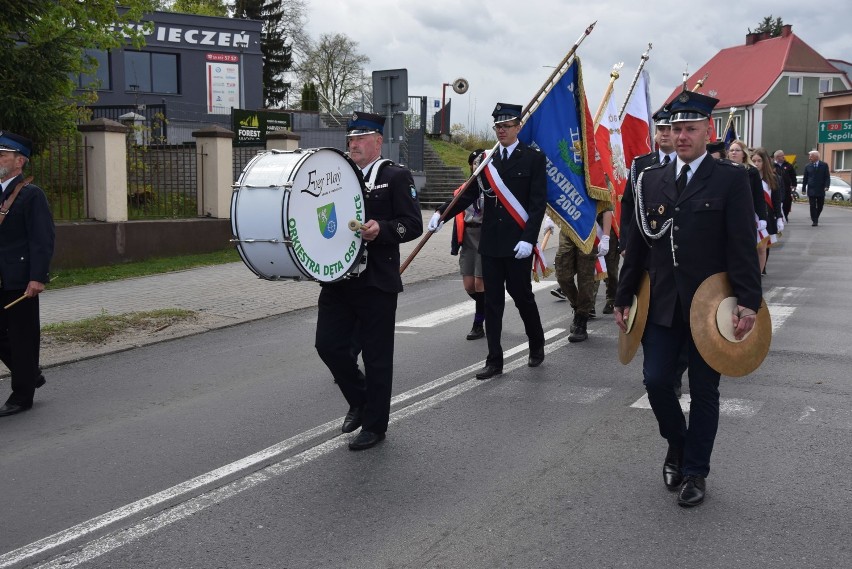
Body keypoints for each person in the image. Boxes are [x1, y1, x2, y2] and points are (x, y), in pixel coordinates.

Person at [614, 90, 762, 507]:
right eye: (675, 129)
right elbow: (637, 245)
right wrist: (623, 296)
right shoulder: (650, 180)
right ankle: (676, 444)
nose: (681, 136)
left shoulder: (730, 179)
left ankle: (696, 471)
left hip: (710, 306)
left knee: (704, 390)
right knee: (656, 380)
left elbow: (741, 245)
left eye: (689, 129)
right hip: (661, 302)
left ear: (707, 131)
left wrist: (749, 301)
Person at [314, 112, 423, 451]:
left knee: (377, 357)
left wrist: (383, 230)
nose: (353, 144)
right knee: (328, 346)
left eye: (361, 138)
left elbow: (412, 224)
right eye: (350, 138)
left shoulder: (394, 175)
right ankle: (361, 400)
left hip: (375, 281)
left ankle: (375, 425)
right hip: (338, 281)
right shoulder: (336, 176)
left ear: (378, 141)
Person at [428, 103, 546, 380]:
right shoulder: (486, 159)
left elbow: (538, 203)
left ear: (518, 127)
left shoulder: (532, 158)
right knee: (492, 302)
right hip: (490, 243)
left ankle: (537, 343)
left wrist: (529, 239)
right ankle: (494, 359)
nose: (501, 130)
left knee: (522, 297)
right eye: (498, 127)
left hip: (518, 244)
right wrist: (441, 214)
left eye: (507, 126)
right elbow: (467, 195)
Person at [0, 132, 55, 418]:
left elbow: (42, 238)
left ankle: (22, 396)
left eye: (2, 155)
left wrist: (38, 277)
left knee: (23, 337)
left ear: (19, 161)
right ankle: (30, 373)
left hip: (21, 279)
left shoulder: (31, 194)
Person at [619, 105, 676, 256]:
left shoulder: (686, 163)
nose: (664, 133)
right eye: (661, 129)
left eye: (669, 128)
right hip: (645, 239)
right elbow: (628, 203)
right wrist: (625, 242)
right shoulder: (641, 164)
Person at [553, 207, 611, 342]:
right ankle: (577, 306)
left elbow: (607, 207)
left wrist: (606, 237)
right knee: (562, 275)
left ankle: (581, 319)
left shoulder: (596, 183)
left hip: (589, 232)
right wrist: (549, 221)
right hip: (568, 230)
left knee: (585, 278)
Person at [450, 149, 487, 340]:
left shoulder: (491, 189)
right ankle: (488, 306)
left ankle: (478, 322)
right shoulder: (463, 189)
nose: (476, 165)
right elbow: (457, 215)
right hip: (468, 237)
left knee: (480, 282)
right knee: (469, 285)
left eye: (479, 161)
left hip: (485, 236)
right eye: (473, 162)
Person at [728, 140, 769, 270]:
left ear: (744, 154)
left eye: (737, 150)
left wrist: (762, 218)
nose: (734, 153)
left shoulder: (751, 172)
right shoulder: (722, 169)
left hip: (746, 214)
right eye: (731, 150)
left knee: (748, 249)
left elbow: (758, 197)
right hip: (727, 214)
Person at [751, 147, 784, 274]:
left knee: (765, 244)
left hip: (768, 215)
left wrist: (779, 218)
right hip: (753, 216)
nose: (756, 164)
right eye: (754, 160)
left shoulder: (773, 178)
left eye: (759, 161)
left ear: (765, 162)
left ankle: (762, 268)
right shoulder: (748, 176)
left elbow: (776, 200)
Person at [802, 150, 830, 226]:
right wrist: (803, 189)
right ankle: (815, 220)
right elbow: (805, 178)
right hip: (811, 189)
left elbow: (827, 177)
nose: (809, 158)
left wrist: (827, 186)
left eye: (811, 156)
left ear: (816, 157)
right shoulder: (807, 166)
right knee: (812, 205)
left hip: (821, 189)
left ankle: (815, 217)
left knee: (820, 205)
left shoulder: (824, 165)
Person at [773, 150, 797, 220]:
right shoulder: (772, 165)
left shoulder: (788, 165)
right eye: (782, 155)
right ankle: (777, 216)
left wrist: (794, 184)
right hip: (776, 187)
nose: (784, 157)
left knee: (787, 203)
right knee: (777, 201)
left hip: (786, 188)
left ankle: (785, 215)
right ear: (777, 157)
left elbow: (793, 175)